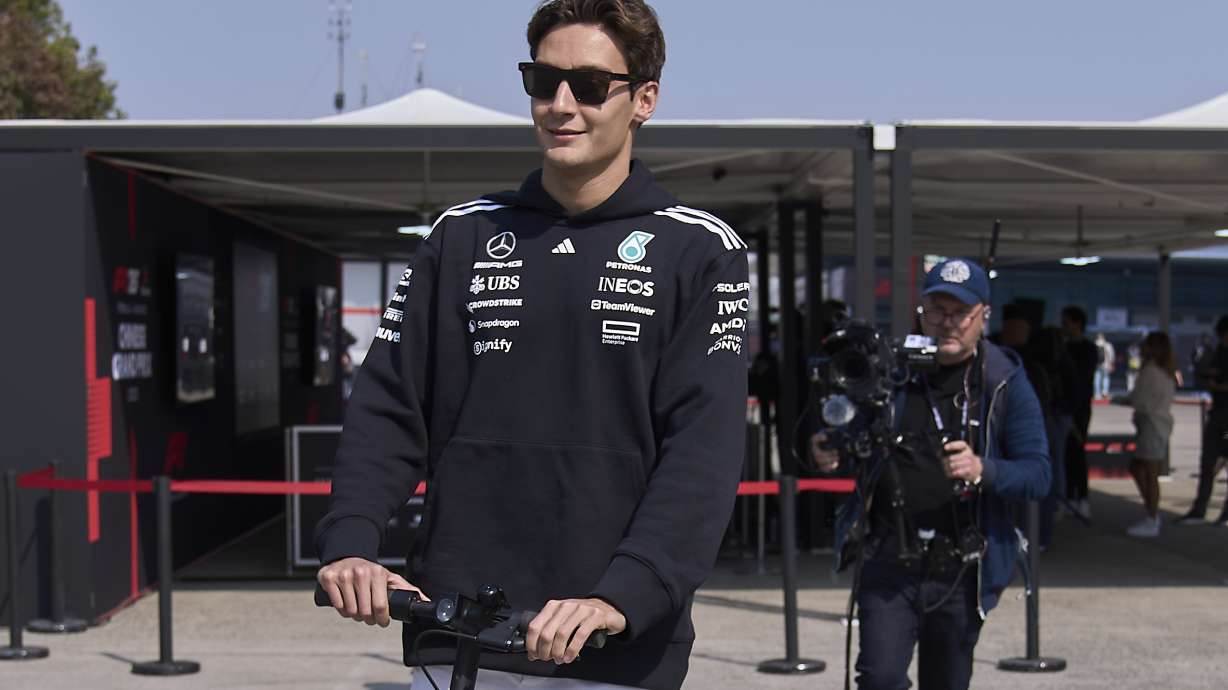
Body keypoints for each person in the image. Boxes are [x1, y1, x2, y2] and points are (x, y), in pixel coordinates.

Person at [313, 2, 750, 689]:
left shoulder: (699, 250)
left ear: (644, 100)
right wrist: (351, 544)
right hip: (455, 632)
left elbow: (703, 454)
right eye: (543, 81)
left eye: (589, 85)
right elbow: (388, 407)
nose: (561, 104)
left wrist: (621, 596)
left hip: (611, 645)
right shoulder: (461, 236)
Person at [811, 258, 1050, 690]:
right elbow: (853, 441)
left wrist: (984, 469)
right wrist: (830, 452)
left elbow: (1038, 474)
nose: (948, 323)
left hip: (960, 567)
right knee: (879, 679)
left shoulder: (1004, 381)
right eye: (937, 310)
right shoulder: (893, 371)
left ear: (984, 316)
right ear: (921, 311)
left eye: (961, 312)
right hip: (888, 559)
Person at [1116, 332, 1176, 538]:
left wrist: (1122, 401)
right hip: (1158, 425)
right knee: (1142, 469)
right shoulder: (1165, 371)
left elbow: (1140, 400)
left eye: (1146, 345)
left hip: (1151, 425)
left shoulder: (1150, 371)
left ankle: (1152, 517)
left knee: (1148, 473)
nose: (1141, 348)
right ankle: (1152, 514)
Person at [1176, 315, 1228, 525]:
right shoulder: (1219, 351)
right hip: (1217, 413)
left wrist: (1216, 384)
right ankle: (1199, 509)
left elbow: (1214, 378)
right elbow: (1209, 373)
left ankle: (1222, 512)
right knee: (1207, 462)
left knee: (1221, 460)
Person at [1061, 306, 1097, 521]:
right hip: (1066, 406)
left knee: (1077, 451)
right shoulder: (1064, 348)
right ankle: (1071, 497)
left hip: (1080, 409)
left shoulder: (1088, 349)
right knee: (1067, 455)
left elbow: (1082, 382)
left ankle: (1082, 497)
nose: (1063, 326)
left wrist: (1075, 412)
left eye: (1066, 322)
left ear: (1076, 323)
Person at [1094, 332, 1116, 399]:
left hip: (1096, 364)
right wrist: (1111, 364)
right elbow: (1112, 355)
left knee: (1097, 378)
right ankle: (1105, 392)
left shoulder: (1094, 344)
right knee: (1106, 377)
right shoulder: (1108, 345)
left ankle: (1097, 394)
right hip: (1106, 364)